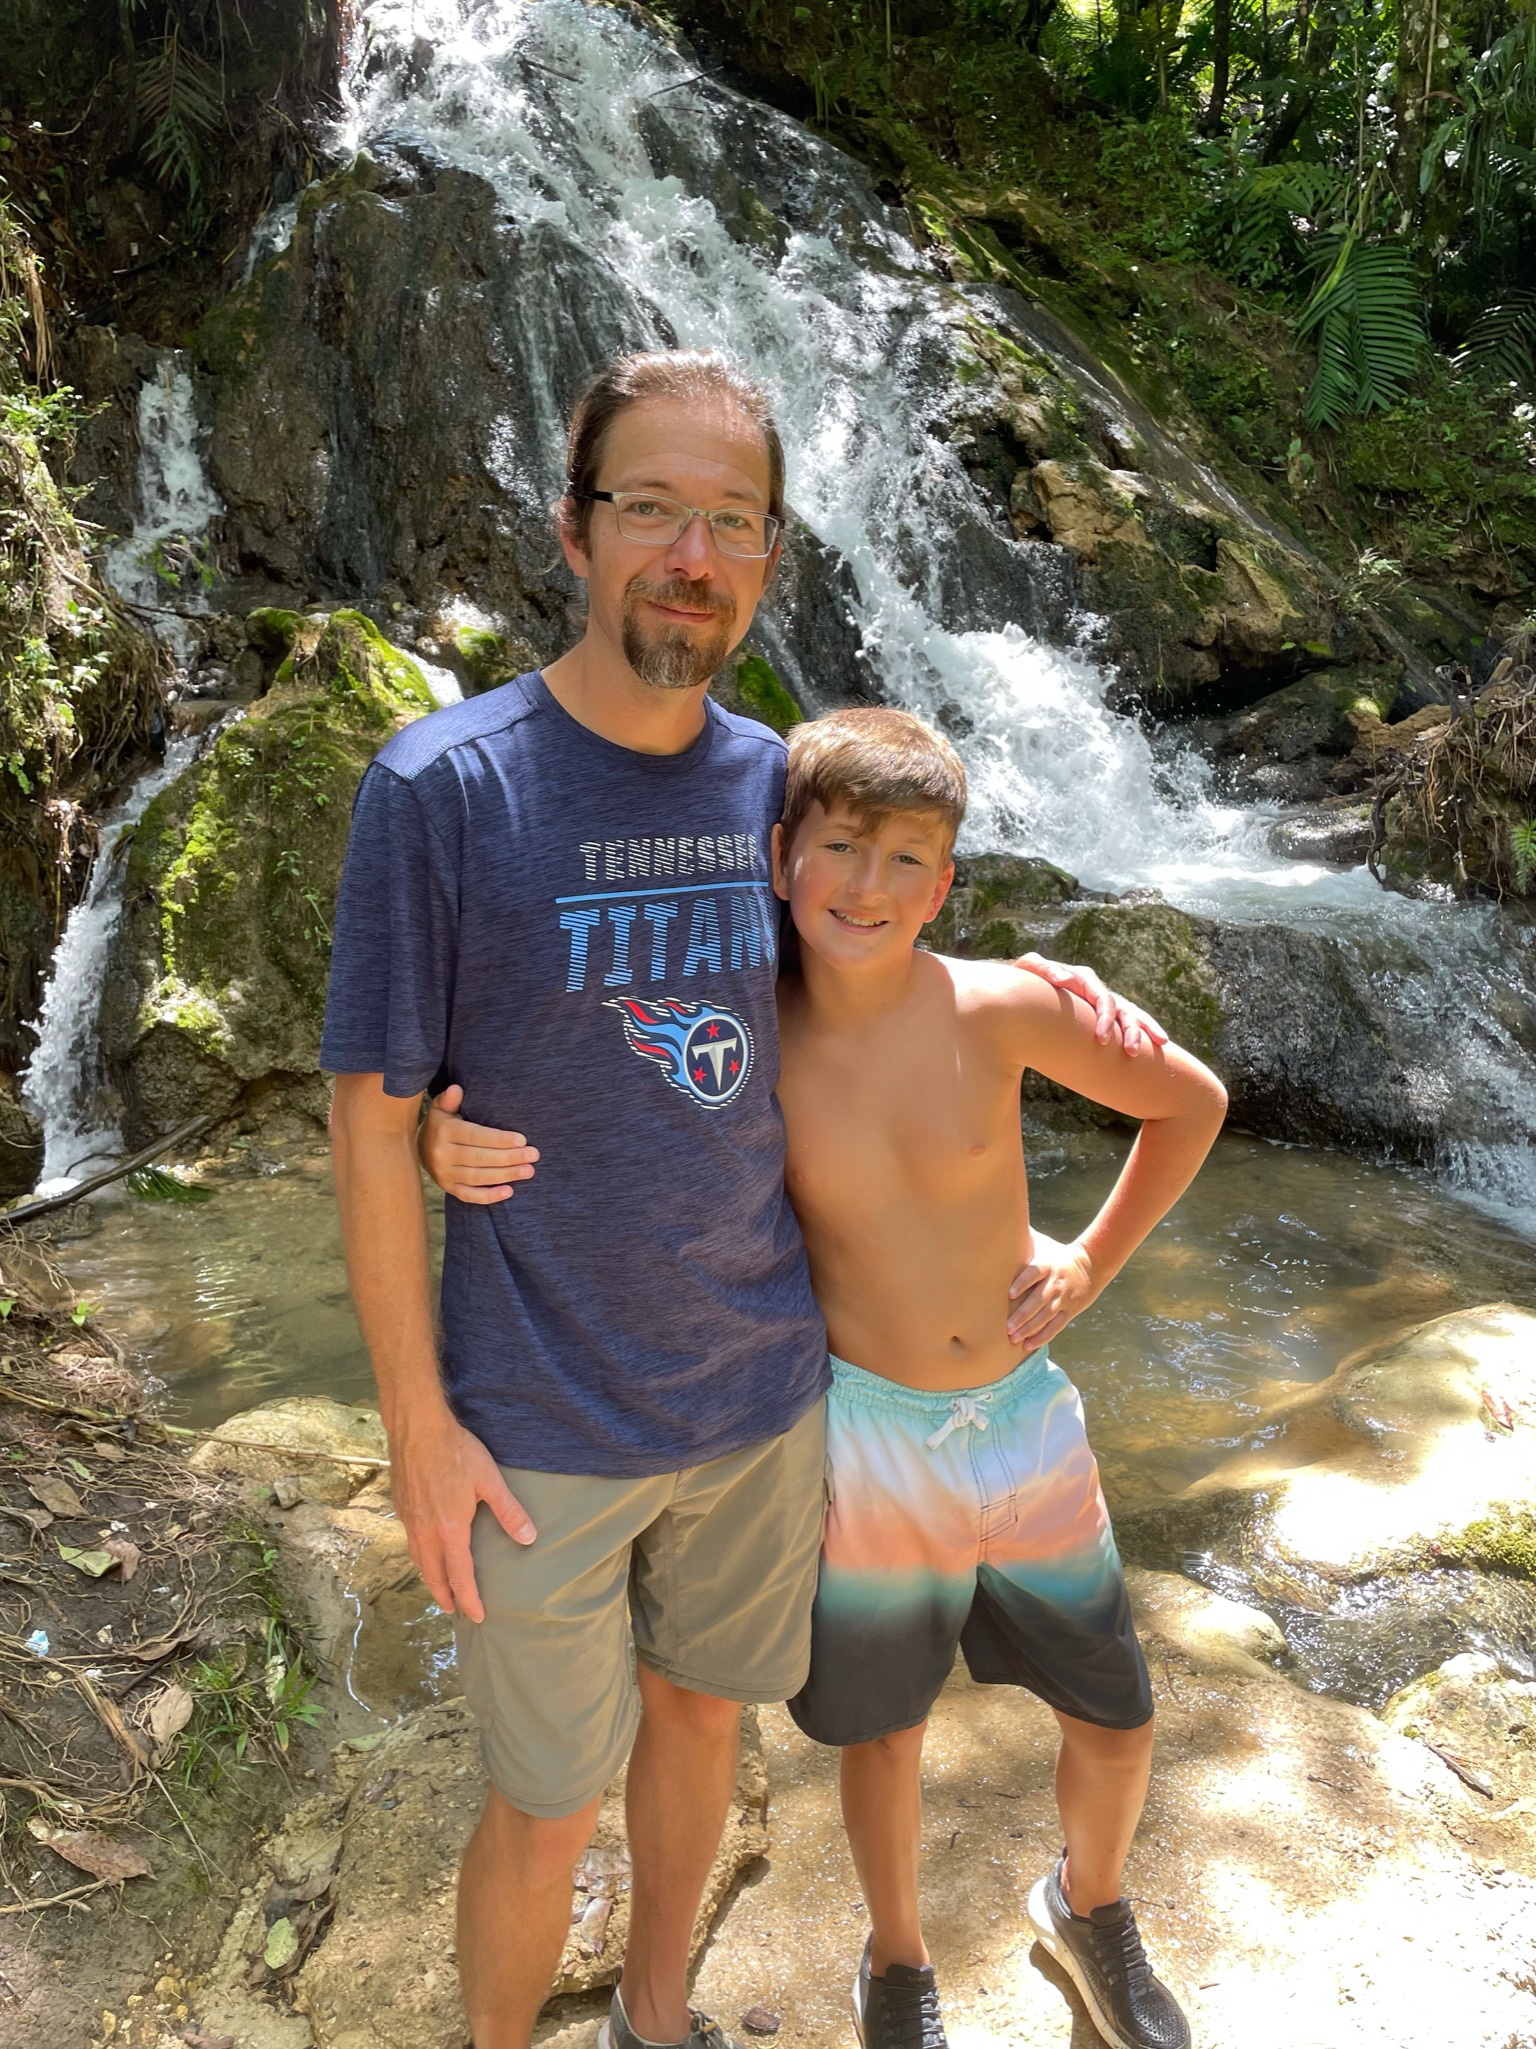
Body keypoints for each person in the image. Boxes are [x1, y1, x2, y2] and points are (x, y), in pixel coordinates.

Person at [324, 346, 1168, 2049]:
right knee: (544, 1802)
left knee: (704, 1721)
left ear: (772, 555)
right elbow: (367, 1111)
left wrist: (1026, 984)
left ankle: (656, 2017)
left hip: (762, 1401)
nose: (690, 555)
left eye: (731, 520)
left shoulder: (779, 789)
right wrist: (417, 1415)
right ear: (574, 527)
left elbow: (870, 973)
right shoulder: (443, 787)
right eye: (650, 507)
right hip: (538, 1414)